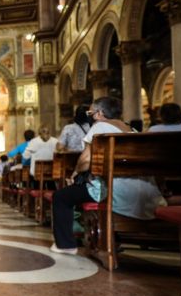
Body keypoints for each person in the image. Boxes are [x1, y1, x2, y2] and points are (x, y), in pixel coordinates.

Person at [50, 96, 166, 255]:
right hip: (145, 195)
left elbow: (85, 160)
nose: (89, 116)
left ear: (99, 114)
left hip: (114, 191)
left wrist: (75, 173)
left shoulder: (100, 127)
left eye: (90, 112)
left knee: (61, 197)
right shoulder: (131, 130)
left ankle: (65, 245)